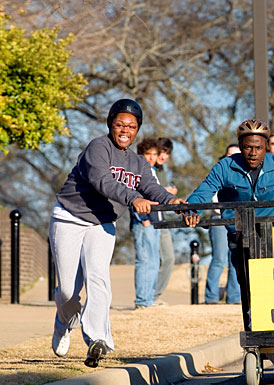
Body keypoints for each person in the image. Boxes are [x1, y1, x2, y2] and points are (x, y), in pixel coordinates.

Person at [49, 99, 198, 368]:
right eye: (119, 124)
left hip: (102, 223)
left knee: (98, 277)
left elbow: (151, 187)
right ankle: (64, 320)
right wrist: (132, 198)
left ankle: (98, 339)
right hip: (69, 217)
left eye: (131, 126)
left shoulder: (138, 162)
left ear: (137, 130)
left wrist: (172, 203)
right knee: (68, 291)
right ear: (111, 124)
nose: (125, 130)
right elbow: (102, 181)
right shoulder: (98, 147)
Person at [187, 119, 274, 329]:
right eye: (248, 147)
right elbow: (203, 192)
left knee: (270, 283)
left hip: (270, 232)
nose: (253, 153)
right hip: (239, 233)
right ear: (241, 147)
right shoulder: (226, 166)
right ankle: (254, 331)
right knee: (246, 285)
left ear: (266, 147)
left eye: (258, 148)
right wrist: (192, 211)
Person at [205, 144, 242, 304]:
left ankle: (234, 298)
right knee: (218, 259)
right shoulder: (218, 172)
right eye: (230, 154)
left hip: (238, 221)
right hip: (219, 220)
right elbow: (211, 197)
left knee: (236, 259)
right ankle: (211, 297)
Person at [130, 138, 162, 309]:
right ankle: (142, 300)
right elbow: (132, 196)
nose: (151, 158)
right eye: (147, 154)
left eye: (154, 154)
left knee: (154, 261)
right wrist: (144, 220)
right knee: (144, 260)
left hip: (156, 222)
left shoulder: (154, 172)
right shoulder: (137, 171)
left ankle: (149, 299)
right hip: (144, 222)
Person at [153, 137, 177, 305]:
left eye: (167, 153)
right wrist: (165, 190)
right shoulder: (148, 167)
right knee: (155, 259)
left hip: (164, 219)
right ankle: (150, 297)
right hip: (151, 220)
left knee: (168, 258)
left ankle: (154, 295)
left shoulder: (162, 170)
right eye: (161, 152)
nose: (163, 156)